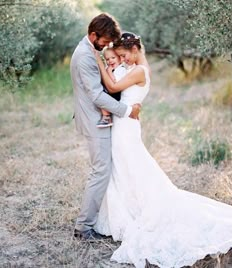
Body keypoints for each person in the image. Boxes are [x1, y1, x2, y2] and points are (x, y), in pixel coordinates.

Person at [93, 32, 232, 268]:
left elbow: (112, 86)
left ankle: (137, 212)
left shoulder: (139, 70)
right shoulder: (135, 67)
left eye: (124, 55)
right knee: (125, 169)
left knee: (130, 167)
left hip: (126, 128)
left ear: (135, 48)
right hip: (124, 123)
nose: (123, 59)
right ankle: (127, 212)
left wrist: (98, 60)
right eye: (119, 56)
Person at [70, 14, 141, 241]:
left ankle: (100, 219)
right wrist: (127, 111)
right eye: (104, 41)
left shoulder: (88, 49)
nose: (106, 46)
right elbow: (97, 95)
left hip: (96, 119)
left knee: (103, 170)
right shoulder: (84, 56)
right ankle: (83, 227)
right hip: (95, 121)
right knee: (100, 172)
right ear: (93, 35)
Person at [96, 47, 127, 128]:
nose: (110, 61)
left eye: (113, 58)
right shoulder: (109, 68)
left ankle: (106, 117)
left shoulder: (121, 70)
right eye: (107, 59)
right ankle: (105, 115)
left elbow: (114, 82)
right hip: (110, 91)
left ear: (120, 59)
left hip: (116, 93)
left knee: (101, 97)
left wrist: (109, 71)